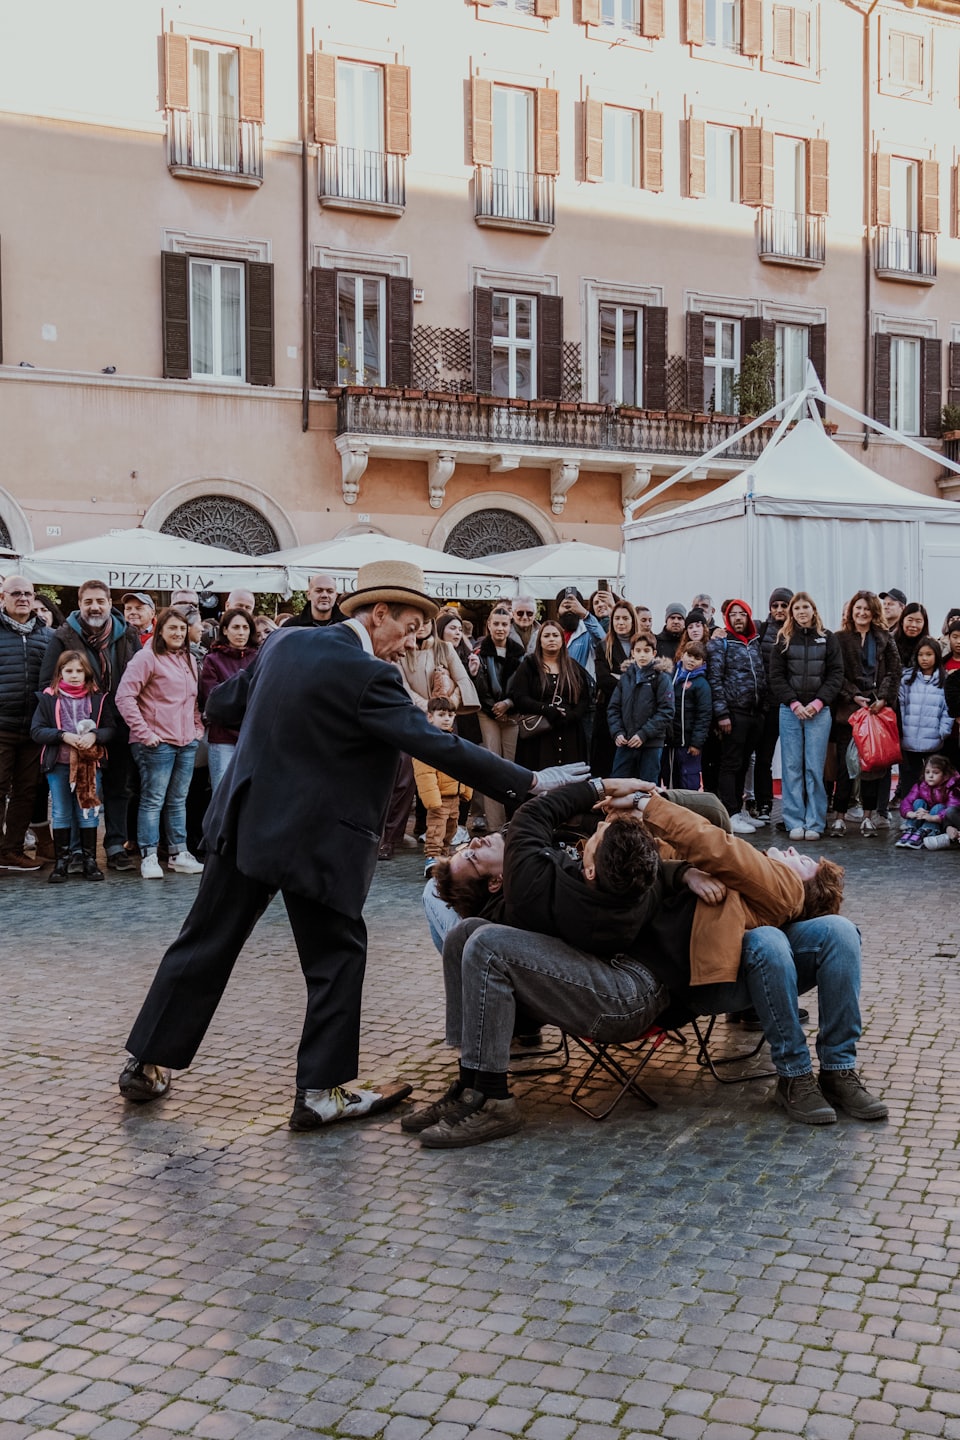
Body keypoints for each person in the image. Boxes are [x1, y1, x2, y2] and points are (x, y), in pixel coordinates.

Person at [117, 559, 588, 1127]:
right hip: (317, 839)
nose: (411, 643)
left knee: (204, 942)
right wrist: (531, 783)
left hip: (246, 820)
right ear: (379, 612)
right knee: (336, 958)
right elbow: (438, 745)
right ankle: (321, 1093)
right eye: (409, 629)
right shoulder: (370, 676)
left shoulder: (284, 643)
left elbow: (221, 705)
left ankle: (146, 1063)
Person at [38, 580, 141, 871]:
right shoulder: (64, 635)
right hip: (77, 727)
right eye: (88, 602)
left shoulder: (128, 634)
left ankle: (115, 846)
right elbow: (48, 682)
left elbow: (139, 677)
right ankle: (76, 851)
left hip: (117, 722)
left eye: (100, 601)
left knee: (119, 788)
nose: (94, 607)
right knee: (77, 788)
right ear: (79, 603)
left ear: (109, 603)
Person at [115, 607, 205, 878]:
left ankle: (179, 853)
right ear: (160, 631)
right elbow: (124, 697)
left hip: (186, 740)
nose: (178, 633)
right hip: (155, 742)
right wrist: (145, 733)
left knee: (178, 799)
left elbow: (192, 700)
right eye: (172, 628)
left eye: (182, 628)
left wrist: (197, 728)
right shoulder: (146, 657)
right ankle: (149, 855)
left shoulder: (189, 658)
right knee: (153, 800)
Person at [31, 650, 117, 883]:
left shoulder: (97, 698)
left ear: (87, 673)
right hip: (59, 763)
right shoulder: (49, 698)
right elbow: (37, 730)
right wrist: (62, 736)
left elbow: (111, 728)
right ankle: (62, 861)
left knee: (87, 809)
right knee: (61, 811)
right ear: (59, 673)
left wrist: (95, 735)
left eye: (79, 671)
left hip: (89, 764)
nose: (75, 675)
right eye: (69, 671)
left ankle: (90, 860)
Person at [768, 591, 844, 842]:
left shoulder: (828, 638)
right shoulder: (783, 639)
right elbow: (776, 676)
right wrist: (793, 703)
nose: (801, 612)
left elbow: (836, 674)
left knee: (814, 767)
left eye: (805, 607)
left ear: (813, 610)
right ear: (792, 612)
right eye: (797, 608)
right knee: (791, 767)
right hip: (790, 712)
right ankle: (794, 820)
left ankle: (815, 821)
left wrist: (819, 702)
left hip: (819, 712)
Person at [831, 590, 901, 837]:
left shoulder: (884, 638)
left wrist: (883, 698)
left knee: (872, 766)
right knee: (844, 767)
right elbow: (835, 673)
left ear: (874, 612)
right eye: (857, 608)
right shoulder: (839, 638)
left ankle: (868, 817)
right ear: (851, 611)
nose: (861, 613)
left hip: (875, 709)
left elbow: (894, 671)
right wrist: (852, 695)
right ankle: (839, 817)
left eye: (866, 609)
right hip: (849, 712)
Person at [0, 575, 53, 870]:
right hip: (2, 725)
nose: (23, 598)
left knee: (26, 791)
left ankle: (12, 850)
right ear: (3, 597)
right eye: (16, 593)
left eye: (28, 594)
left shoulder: (48, 635)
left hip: (34, 728)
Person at [706, 599, 768, 834]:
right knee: (730, 763)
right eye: (733, 614)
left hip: (755, 713)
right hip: (733, 713)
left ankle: (739, 810)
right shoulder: (720, 643)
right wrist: (722, 713)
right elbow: (715, 679)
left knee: (743, 764)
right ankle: (729, 813)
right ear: (727, 618)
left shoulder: (754, 642)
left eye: (742, 613)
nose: (738, 618)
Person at [469, 605, 524, 832]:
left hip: (512, 714)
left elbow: (522, 686)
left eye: (504, 624)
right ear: (489, 625)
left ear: (510, 627)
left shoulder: (519, 653)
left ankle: (512, 821)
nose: (500, 628)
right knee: (492, 764)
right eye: (496, 624)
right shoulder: (479, 653)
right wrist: (495, 710)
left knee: (510, 766)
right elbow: (479, 688)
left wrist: (508, 705)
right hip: (487, 713)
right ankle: (495, 825)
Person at [510, 621, 591, 771]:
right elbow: (520, 697)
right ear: (540, 640)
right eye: (546, 636)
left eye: (555, 635)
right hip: (539, 733)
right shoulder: (529, 665)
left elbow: (584, 699)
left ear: (562, 639)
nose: (551, 639)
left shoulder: (573, 667)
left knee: (570, 778)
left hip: (569, 730)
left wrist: (572, 716)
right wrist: (546, 709)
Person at [198, 608, 260, 791]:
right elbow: (214, 702)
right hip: (223, 738)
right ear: (225, 630)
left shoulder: (259, 657)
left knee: (251, 795)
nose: (241, 632)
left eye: (245, 627)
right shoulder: (213, 660)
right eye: (236, 627)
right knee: (222, 792)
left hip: (253, 737)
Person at [413, 697, 472, 877]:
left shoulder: (454, 741)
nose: (447, 718)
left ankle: (444, 856)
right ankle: (432, 857)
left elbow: (464, 768)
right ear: (430, 717)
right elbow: (425, 772)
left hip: (454, 796)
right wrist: (432, 800)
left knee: (451, 829)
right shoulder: (427, 743)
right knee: (436, 829)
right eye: (441, 714)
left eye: (450, 715)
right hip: (438, 797)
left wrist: (466, 790)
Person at [607, 632, 674, 781]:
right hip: (626, 741)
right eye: (638, 650)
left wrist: (643, 734)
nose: (642, 655)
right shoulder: (625, 678)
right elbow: (613, 708)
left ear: (654, 653)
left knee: (647, 785)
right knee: (618, 783)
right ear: (632, 653)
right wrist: (617, 732)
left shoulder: (662, 678)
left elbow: (666, 711)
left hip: (651, 743)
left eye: (646, 650)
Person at [754, 588, 793, 822]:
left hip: (791, 705)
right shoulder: (760, 629)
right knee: (763, 758)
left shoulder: (799, 631)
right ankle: (764, 804)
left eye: (784, 605)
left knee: (794, 760)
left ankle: (794, 808)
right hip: (767, 705)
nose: (779, 610)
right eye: (775, 605)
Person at [897, 638, 951, 799]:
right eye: (920, 654)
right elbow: (901, 706)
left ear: (937, 656)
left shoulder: (945, 680)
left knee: (934, 780)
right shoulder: (907, 679)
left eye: (929, 654)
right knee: (909, 779)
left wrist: (943, 731)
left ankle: (931, 811)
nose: (924, 658)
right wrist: (901, 730)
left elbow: (948, 709)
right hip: (908, 739)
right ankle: (909, 811)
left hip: (933, 740)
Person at [590, 599, 638, 776]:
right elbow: (603, 680)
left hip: (637, 713)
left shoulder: (643, 645)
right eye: (617, 618)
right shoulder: (603, 646)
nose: (621, 622)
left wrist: (618, 676)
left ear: (633, 620)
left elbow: (650, 678)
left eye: (625, 618)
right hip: (609, 711)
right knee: (606, 765)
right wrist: (632, 681)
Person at [665, 641, 711, 790]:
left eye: (697, 658)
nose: (691, 660)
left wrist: (696, 743)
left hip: (689, 743)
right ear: (682, 655)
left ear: (703, 662)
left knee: (689, 779)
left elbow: (704, 715)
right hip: (671, 741)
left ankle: (690, 804)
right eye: (689, 655)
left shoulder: (701, 684)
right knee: (671, 779)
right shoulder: (670, 676)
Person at [896, 754, 960, 850]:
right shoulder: (921, 785)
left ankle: (927, 830)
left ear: (945, 776)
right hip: (923, 816)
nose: (930, 776)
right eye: (927, 772)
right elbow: (907, 802)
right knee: (918, 802)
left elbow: (953, 807)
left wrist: (933, 817)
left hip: (938, 820)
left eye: (935, 773)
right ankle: (911, 828)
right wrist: (911, 813)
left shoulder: (951, 788)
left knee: (939, 807)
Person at [893, 602, 930, 669]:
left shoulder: (930, 645)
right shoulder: (889, 641)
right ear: (902, 621)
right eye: (910, 620)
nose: (913, 625)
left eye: (918, 621)